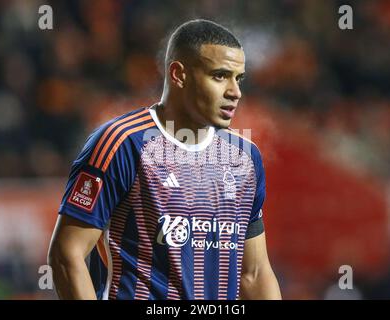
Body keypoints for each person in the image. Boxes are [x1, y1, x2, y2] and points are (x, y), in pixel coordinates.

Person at [48, 19, 282, 300]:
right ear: (178, 74)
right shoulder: (121, 144)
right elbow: (66, 255)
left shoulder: (244, 157)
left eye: (238, 78)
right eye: (220, 76)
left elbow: (254, 273)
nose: (235, 91)